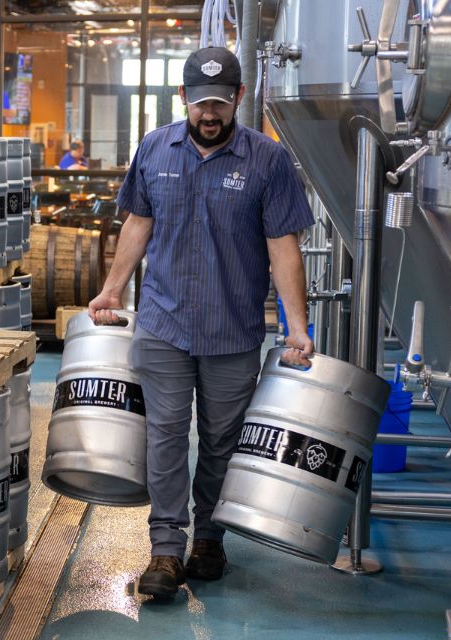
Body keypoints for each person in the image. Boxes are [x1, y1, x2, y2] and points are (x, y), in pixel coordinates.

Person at [86, 47, 315, 601]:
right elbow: (139, 223)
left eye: (220, 102)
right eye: (200, 102)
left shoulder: (267, 161)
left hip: (232, 330)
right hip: (163, 323)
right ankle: (165, 550)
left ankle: (208, 538)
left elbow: (283, 248)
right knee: (165, 436)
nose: (209, 114)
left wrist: (297, 327)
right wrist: (113, 288)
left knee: (219, 441)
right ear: (183, 97)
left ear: (239, 97)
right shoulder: (154, 147)